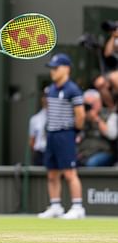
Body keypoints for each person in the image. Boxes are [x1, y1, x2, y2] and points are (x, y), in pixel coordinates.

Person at [38, 53, 86, 220]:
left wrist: (75, 132)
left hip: (65, 134)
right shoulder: (50, 89)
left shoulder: (73, 89)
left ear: (66, 69)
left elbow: (80, 116)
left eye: (56, 68)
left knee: (69, 173)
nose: (53, 72)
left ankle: (78, 207)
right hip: (52, 135)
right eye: (51, 68)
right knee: (52, 173)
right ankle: (56, 206)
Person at [77, 89, 117, 167]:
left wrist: (96, 119)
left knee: (91, 163)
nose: (89, 108)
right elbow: (77, 136)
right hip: (85, 152)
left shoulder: (110, 115)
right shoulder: (82, 118)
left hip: (104, 152)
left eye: (91, 104)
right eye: (86, 105)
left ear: (99, 102)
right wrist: (81, 119)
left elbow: (112, 135)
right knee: (69, 162)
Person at [28, 88, 47, 166]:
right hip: (40, 154)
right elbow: (32, 141)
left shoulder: (59, 117)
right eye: (45, 96)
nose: (47, 99)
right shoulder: (35, 119)